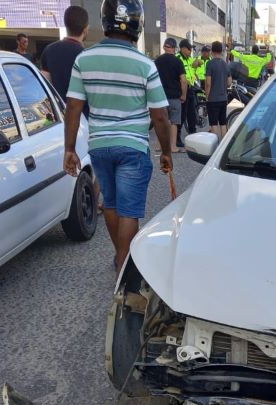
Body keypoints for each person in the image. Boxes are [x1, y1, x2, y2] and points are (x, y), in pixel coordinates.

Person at [63, 0, 172, 275]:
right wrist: (166, 151)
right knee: (130, 210)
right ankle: (125, 268)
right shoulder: (145, 64)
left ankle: (120, 258)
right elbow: (160, 116)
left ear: (104, 22)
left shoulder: (83, 59)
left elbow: (73, 107)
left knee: (110, 203)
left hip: (99, 145)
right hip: (133, 147)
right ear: (138, 25)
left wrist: (69, 148)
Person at [40, 5, 90, 101]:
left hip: (58, 112)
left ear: (66, 25)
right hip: (81, 113)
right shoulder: (86, 55)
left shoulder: (49, 50)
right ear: (85, 29)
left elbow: (44, 86)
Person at [155, 38, 187, 153]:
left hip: (160, 97)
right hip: (174, 97)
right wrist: (184, 95)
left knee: (161, 121)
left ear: (164, 47)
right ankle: (173, 146)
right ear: (174, 49)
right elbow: (183, 80)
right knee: (174, 122)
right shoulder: (178, 62)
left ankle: (159, 146)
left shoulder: (157, 61)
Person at [205, 40, 231, 138]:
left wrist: (207, 96)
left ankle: (214, 148)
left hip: (213, 99)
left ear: (212, 50)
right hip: (223, 99)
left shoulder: (210, 64)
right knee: (223, 123)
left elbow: (208, 83)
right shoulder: (225, 64)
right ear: (221, 51)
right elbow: (229, 83)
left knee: (213, 124)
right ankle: (223, 147)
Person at [176, 39, 198, 144]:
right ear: (183, 48)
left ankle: (193, 133)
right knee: (182, 114)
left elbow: (193, 70)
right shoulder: (177, 59)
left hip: (191, 89)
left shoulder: (190, 59)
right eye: (189, 49)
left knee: (192, 113)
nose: (190, 51)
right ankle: (177, 136)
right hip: (181, 89)